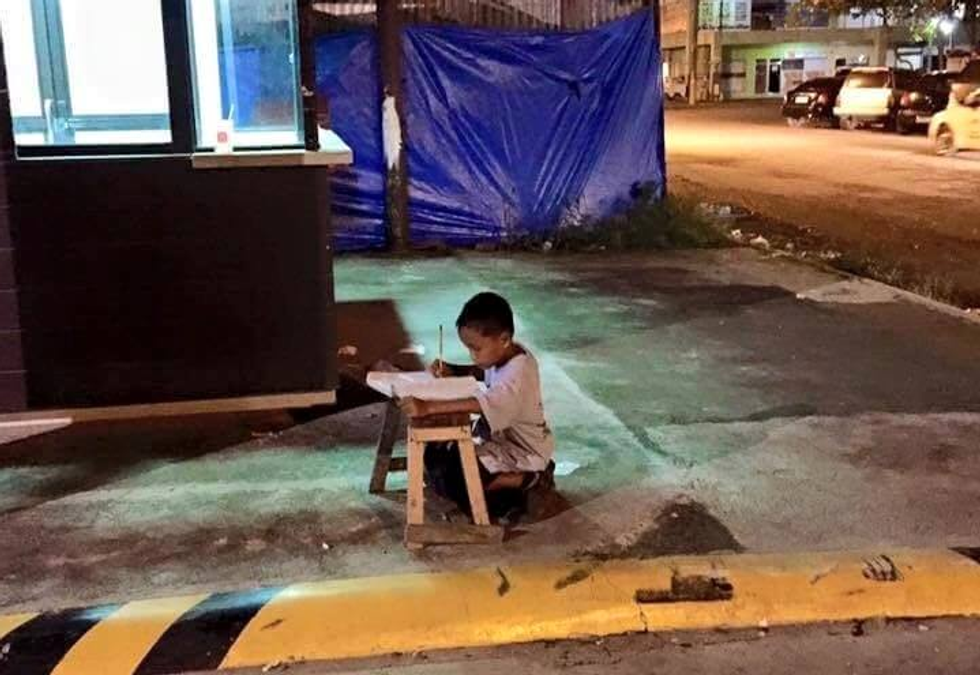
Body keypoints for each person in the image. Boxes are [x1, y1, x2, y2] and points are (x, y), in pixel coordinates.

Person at [398, 291, 555, 520]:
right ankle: (505, 482)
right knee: (435, 457)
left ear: (503, 339)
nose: (472, 356)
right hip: (500, 445)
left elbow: (480, 404)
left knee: (472, 496)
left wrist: (427, 407)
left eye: (476, 349)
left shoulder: (518, 376)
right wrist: (453, 369)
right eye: (468, 348)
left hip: (524, 454)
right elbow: (483, 371)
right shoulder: (505, 352)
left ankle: (529, 480)